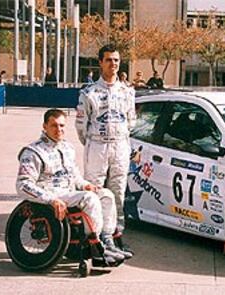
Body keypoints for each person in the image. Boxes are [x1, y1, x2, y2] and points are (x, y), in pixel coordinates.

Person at [16, 109, 126, 266]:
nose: (59, 130)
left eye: (62, 126)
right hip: (50, 194)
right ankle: (93, 245)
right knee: (90, 199)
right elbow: (23, 184)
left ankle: (107, 240)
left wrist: (85, 185)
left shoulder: (67, 148)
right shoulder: (33, 152)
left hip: (69, 192)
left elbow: (74, 176)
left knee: (106, 194)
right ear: (44, 126)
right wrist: (51, 200)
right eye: (53, 125)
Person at [75, 44, 136, 258]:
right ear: (100, 62)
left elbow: (131, 121)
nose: (114, 64)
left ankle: (116, 236)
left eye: (117, 60)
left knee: (118, 192)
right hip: (97, 145)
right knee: (94, 191)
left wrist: (120, 140)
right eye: (109, 60)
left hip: (120, 144)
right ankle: (92, 237)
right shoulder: (89, 92)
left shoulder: (127, 91)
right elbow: (81, 126)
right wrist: (94, 143)